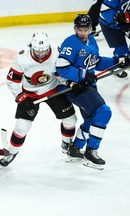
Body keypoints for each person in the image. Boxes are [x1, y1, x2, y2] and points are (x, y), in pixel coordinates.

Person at [56, 14, 130, 170]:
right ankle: (91, 151)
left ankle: (75, 149)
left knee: (92, 119)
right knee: (103, 112)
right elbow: (62, 68)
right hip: (74, 87)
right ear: (75, 29)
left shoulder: (91, 40)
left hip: (87, 85)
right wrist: (82, 75)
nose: (83, 32)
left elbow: (95, 62)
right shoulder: (70, 43)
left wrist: (116, 62)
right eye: (80, 29)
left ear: (91, 29)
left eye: (86, 29)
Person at [0, 32, 77, 167]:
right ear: (31, 47)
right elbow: (12, 81)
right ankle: (12, 152)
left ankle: (67, 143)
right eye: (37, 51)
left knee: (71, 119)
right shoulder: (22, 58)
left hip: (53, 89)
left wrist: (68, 83)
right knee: (22, 127)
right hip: (30, 94)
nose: (41, 54)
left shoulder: (56, 52)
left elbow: (61, 72)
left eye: (44, 51)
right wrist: (21, 97)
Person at [99, 0, 130, 78]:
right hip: (109, 24)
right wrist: (120, 23)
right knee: (121, 50)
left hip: (124, 21)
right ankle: (117, 65)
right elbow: (105, 10)